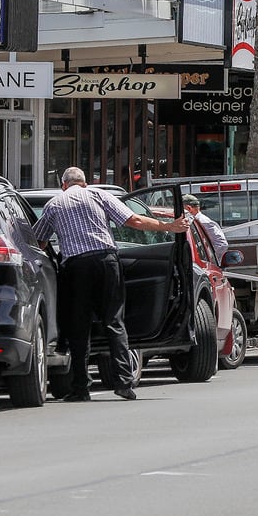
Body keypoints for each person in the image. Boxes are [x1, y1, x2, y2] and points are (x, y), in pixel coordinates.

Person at [33, 166, 189, 401]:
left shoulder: (55, 204)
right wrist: (168, 227)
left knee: (79, 327)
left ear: (63, 184)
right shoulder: (99, 194)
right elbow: (133, 220)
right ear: (84, 183)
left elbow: (39, 242)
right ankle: (123, 383)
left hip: (76, 267)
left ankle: (81, 388)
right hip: (106, 261)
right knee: (114, 321)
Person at [183, 193, 229, 262]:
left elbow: (221, 244)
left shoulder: (203, 222)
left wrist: (208, 259)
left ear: (189, 208)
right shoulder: (194, 220)